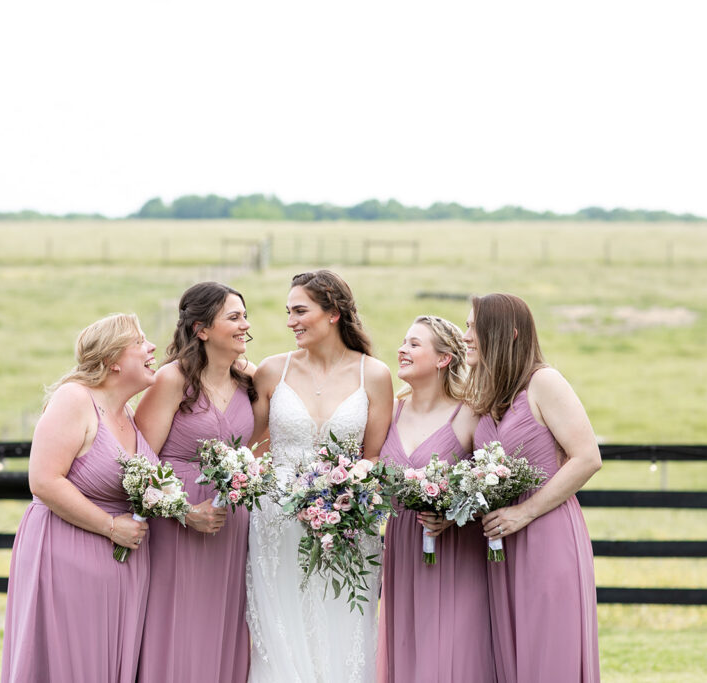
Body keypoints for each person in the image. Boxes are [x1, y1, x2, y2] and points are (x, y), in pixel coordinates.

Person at [246, 269, 394, 683]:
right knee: (281, 634)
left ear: (333, 313)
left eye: (299, 311)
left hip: (344, 529)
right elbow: (250, 446)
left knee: (340, 627)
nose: (290, 321)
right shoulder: (272, 371)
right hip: (276, 524)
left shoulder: (375, 375)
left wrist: (348, 490)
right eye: (288, 312)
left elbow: (376, 458)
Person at [2, 313, 157, 683]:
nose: (152, 347)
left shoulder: (129, 415)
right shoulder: (74, 399)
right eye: (140, 341)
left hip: (121, 566)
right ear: (112, 360)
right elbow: (43, 480)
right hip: (67, 551)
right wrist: (109, 526)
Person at [466, 293, 601, 683]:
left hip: (546, 534)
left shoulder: (544, 382)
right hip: (501, 542)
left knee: (547, 653)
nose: (466, 336)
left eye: (474, 326)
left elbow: (587, 457)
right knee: (511, 657)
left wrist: (524, 512)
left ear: (507, 333)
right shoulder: (488, 393)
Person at [135, 282, 258, 683]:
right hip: (176, 526)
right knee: (176, 624)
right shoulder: (171, 380)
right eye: (234, 317)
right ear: (202, 329)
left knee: (224, 621)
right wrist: (185, 512)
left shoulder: (250, 380)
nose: (245, 325)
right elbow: (138, 465)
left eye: (244, 316)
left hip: (232, 525)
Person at [377, 316, 495, 683]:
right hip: (403, 550)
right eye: (403, 341)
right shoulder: (388, 413)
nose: (402, 349)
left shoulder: (471, 415)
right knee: (409, 650)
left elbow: (495, 484)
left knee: (456, 654)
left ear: (443, 359)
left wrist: (457, 513)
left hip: (457, 552)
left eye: (414, 344)